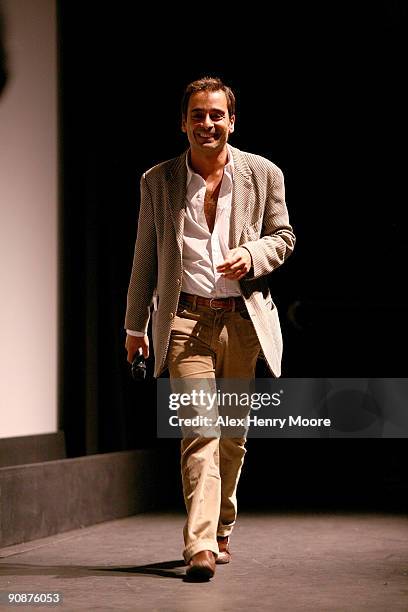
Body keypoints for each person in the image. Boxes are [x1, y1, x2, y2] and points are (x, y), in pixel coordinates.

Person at [125, 76, 295, 580]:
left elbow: (284, 236)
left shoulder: (263, 174)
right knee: (200, 429)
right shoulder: (158, 181)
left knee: (232, 436)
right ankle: (199, 545)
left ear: (231, 120)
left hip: (243, 322)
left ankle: (221, 529)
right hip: (185, 322)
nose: (207, 124)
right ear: (183, 122)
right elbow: (145, 258)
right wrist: (136, 325)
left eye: (216, 114)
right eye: (198, 115)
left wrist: (251, 253)